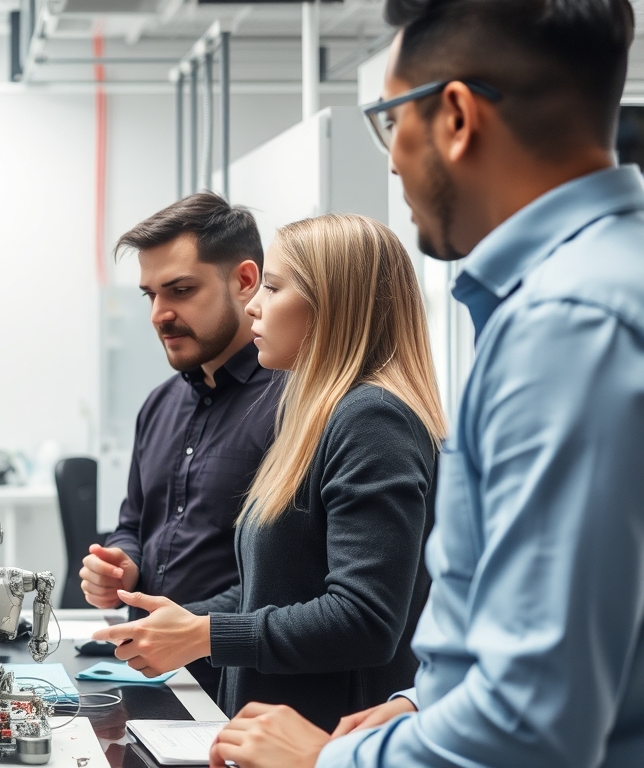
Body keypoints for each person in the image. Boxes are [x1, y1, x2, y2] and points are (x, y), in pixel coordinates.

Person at [207, 1, 644, 766]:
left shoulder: (570, 325)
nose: (390, 159)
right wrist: (414, 705)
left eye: (389, 121)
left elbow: (533, 717)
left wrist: (325, 762)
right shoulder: (564, 301)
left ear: (455, 116)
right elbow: (501, 630)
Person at [94, 213, 445, 732]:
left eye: (274, 288)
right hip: (268, 731)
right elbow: (275, 586)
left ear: (332, 305)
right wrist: (190, 622)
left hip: (325, 737)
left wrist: (207, 634)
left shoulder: (373, 419)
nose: (254, 304)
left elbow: (364, 619)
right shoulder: (319, 414)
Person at [77, 192, 281, 693]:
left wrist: (187, 628)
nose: (159, 314)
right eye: (151, 295)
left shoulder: (292, 405)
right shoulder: (159, 404)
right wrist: (123, 565)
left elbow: (287, 579)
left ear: (245, 282)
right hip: (148, 673)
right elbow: (133, 521)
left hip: (240, 683)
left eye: (181, 290)